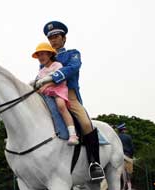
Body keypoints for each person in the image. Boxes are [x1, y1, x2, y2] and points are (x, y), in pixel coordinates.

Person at [35, 21, 104, 181]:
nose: (53, 40)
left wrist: (53, 76)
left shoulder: (72, 53)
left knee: (86, 124)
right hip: (46, 94)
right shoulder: (44, 58)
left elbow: (73, 67)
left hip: (67, 93)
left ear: (64, 38)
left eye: (56, 37)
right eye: (50, 37)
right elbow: (39, 78)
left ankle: (95, 163)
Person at [32, 42, 79, 145]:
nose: (40, 57)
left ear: (50, 54)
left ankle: (73, 135)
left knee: (61, 105)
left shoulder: (57, 65)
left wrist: (46, 85)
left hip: (58, 90)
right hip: (46, 93)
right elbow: (37, 82)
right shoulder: (42, 70)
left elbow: (59, 78)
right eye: (39, 55)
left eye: (43, 54)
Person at [116, 123, 134, 190]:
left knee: (121, 173)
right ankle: (129, 188)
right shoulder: (128, 137)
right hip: (127, 155)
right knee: (128, 172)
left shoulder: (117, 137)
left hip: (119, 156)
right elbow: (132, 148)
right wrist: (131, 157)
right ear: (123, 130)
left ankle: (123, 188)